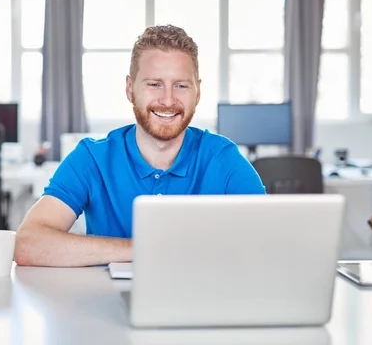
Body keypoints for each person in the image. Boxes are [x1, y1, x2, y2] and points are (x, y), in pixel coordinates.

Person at [14, 25, 265, 267]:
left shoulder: (223, 158)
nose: (168, 100)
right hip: (105, 305)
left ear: (197, 92)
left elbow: (271, 243)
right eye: (154, 84)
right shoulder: (93, 157)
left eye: (181, 85)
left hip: (201, 304)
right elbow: (28, 244)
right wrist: (145, 250)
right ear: (130, 89)